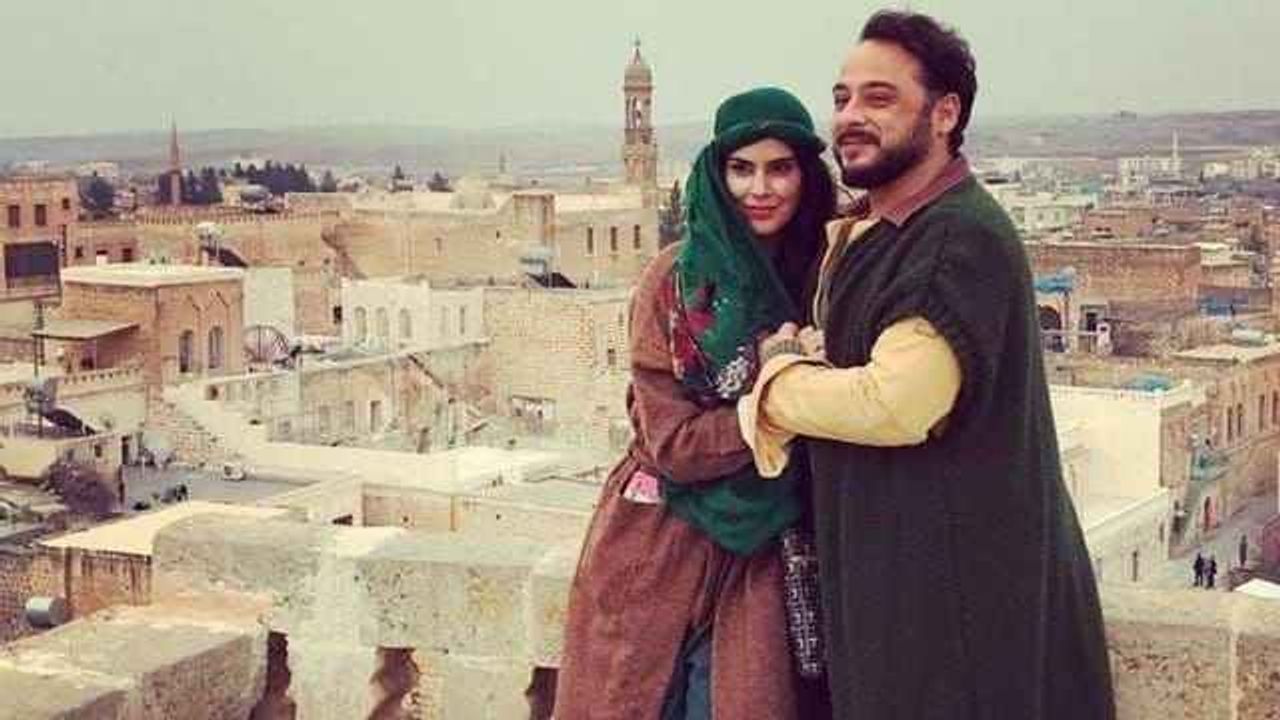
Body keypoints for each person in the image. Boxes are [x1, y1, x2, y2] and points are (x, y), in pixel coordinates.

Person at [737, 10, 1116, 718]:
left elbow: (896, 403)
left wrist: (777, 380)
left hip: (955, 620)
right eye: (843, 97)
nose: (850, 116)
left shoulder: (952, 238)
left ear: (945, 114)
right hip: (907, 601)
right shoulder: (887, 231)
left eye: (879, 98)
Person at [554, 87, 836, 720]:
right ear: (717, 173)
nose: (760, 188)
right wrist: (778, 393)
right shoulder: (676, 282)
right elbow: (673, 444)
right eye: (741, 168)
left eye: (780, 168)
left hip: (766, 558)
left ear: (806, 175)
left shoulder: (825, 280)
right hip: (658, 544)